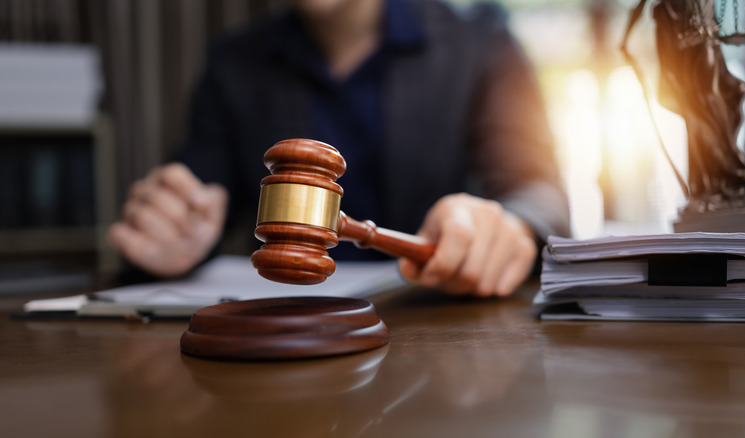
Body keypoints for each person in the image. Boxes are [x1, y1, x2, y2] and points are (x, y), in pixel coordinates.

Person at [108, 0, 569, 297]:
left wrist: (509, 224)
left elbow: (539, 190)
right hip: (283, 341)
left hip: (432, 330)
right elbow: (196, 194)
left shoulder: (481, 44)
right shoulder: (233, 63)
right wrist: (172, 232)